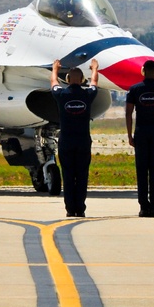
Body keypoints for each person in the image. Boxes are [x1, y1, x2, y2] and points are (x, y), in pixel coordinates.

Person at [50, 58, 99, 218]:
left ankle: (70, 209)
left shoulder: (62, 95)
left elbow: (53, 82)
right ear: (82, 80)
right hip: (83, 141)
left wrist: (55, 69)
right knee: (82, 175)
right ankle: (81, 208)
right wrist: (94, 69)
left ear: (68, 80)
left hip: (67, 141)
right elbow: (94, 83)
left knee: (68, 175)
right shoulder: (87, 95)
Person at [125, 59, 154, 217]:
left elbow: (128, 113)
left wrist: (129, 135)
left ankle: (144, 206)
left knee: (142, 171)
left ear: (143, 71)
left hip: (141, 133)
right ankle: (153, 206)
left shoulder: (134, 90)